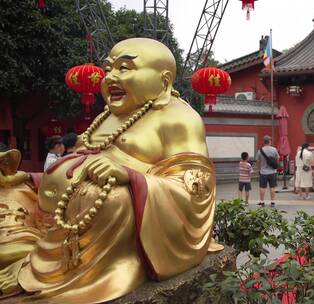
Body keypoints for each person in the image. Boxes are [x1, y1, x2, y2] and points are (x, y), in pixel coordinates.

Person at [0, 38, 221, 302]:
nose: (111, 77)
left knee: (111, 199)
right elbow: (72, 164)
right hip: (58, 210)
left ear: (164, 81)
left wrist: (132, 177)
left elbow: (195, 184)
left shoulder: (179, 118)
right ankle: (33, 247)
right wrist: (31, 179)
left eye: (125, 68)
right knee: (9, 188)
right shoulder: (106, 116)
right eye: (109, 68)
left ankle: (49, 265)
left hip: (106, 213)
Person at [256, 135, 279, 207]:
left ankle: (262, 202)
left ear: (264, 142)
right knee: (272, 187)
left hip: (263, 172)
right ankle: (272, 202)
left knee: (262, 187)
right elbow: (278, 158)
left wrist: (259, 168)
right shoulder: (274, 149)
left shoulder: (260, 150)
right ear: (269, 141)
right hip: (272, 172)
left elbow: (257, 160)